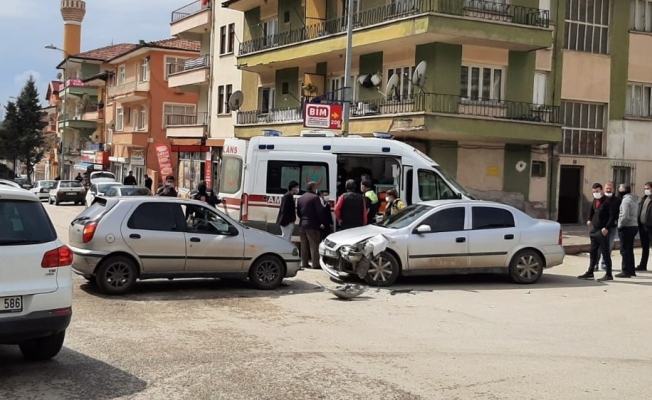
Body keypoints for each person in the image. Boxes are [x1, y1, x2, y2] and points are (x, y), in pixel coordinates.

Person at [578, 183, 615, 281]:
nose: (596, 193)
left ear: (602, 190)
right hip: (594, 230)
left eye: (597, 191)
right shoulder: (595, 200)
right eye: (594, 192)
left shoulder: (607, 202)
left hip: (603, 231)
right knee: (593, 252)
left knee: (605, 252)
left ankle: (608, 274)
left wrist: (606, 227)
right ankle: (590, 272)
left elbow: (612, 216)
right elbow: (591, 211)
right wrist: (589, 219)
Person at [296, 181, 325, 269]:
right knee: (314, 245)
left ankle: (304, 263)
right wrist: (321, 222)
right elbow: (319, 211)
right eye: (315, 187)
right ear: (313, 188)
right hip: (312, 225)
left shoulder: (301, 198)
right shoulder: (315, 198)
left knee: (304, 245)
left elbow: (298, 212)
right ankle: (315, 264)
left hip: (302, 224)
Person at [616, 183, 638, 278]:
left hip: (627, 226)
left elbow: (624, 215)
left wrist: (620, 224)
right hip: (634, 225)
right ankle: (631, 270)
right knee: (629, 249)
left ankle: (626, 271)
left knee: (624, 250)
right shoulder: (634, 199)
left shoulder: (625, 200)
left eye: (619, 189)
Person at [598, 182, 619, 271]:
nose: (608, 190)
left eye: (610, 189)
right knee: (599, 246)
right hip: (601, 227)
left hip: (612, 226)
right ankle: (595, 263)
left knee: (609, 246)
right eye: (607, 189)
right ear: (604, 189)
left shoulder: (617, 200)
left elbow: (618, 212)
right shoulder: (600, 199)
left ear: (613, 189)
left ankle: (604, 263)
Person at [639, 181, 652, 271]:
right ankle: (643, 265)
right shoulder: (644, 198)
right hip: (643, 226)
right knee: (645, 246)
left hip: (651, 226)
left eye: (648, 188)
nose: (646, 190)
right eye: (645, 189)